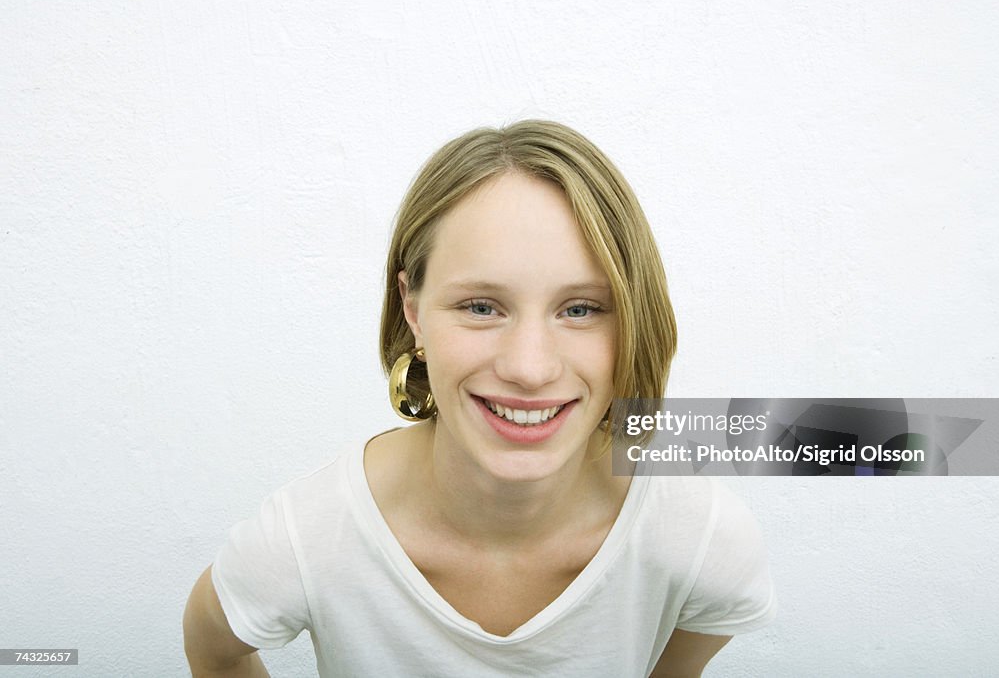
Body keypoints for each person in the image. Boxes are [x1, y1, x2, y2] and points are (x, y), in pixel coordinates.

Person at [182, 120, 776, 677]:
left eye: (581, 309)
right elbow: (213, 645)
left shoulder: (699, 539)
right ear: (413, 310)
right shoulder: (304, 538)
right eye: (481, 307)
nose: (529, 368)